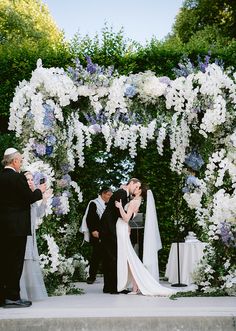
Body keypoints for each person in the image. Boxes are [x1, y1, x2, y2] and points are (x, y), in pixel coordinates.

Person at [0, 148, 46, 308]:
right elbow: (28, 198)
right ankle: (13, 297)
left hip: (3, 228)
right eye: (20, 160)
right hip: (16, 228)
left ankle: (3, 296)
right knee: (15, 263)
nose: (21, 163)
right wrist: (40, 191)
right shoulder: (17, 178)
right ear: (14, 161)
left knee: (4, 262)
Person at [115, 184, 175, 296]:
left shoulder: (134, 202)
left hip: (122, 227)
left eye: (137, 188)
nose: (135, 189)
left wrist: (120, 207)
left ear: (140, 192)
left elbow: (127, 218)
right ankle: (134, 286)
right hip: (123, 228)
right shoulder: (137, 201)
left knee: (129, 259)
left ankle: (135, 287)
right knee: (128, 259)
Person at [100, 178, 141, 294]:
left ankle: (109, 287)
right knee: (113, 257)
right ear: (131, 183)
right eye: (136, 186)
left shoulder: (124, 193)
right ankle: (114, 287)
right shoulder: (122, 193)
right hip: (109, 228)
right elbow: (119, 212)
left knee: (111, 257)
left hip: (111, 227)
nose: (136, 189)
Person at [20, 171, 52, 301]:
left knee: (30, 261)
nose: (30, 181)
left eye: (31, 179)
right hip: (23, 233)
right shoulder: (22, 195)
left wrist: (44, 200)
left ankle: (30, 292)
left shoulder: (32, 197)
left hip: (31, 234)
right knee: (23, 261)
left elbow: (38, 214)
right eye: (27, 179)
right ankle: (21, 294)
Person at [80, 187, 113, 284]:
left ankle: (108, 277)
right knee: (96, 256)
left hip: (106, 233)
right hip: (97, 233)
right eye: (108, 195)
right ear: (103, 194)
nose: (110, 197)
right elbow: (90, 217)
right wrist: (93, 230)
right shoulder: (94, 203)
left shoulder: (108, 204)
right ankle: (91, 276)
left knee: (108, 256)